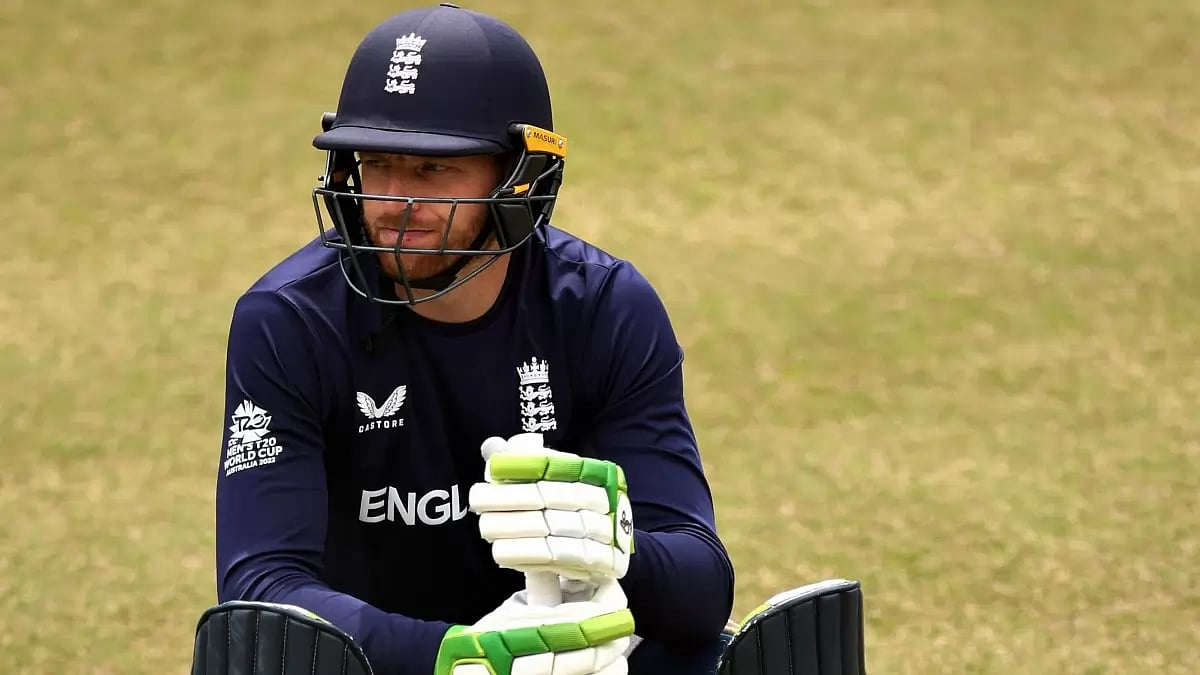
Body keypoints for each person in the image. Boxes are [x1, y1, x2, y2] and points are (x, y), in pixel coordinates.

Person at [215, 4, 734, 674]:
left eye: (433, 170)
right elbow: (261, 593)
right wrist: (463, 658)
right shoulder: (288, 320)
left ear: (521, 177)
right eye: (377, 163)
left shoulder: (604, 306)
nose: (392, 203)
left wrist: (610, 547)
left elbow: (703, 589)